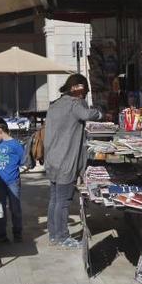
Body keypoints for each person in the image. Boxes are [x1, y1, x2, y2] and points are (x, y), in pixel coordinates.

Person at [44, 74, 102, 249]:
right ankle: (62, 236)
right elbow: (87, 114)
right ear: (79, 89)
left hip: (52, 159)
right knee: (63, 200)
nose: (84, 96)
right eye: (84, 92)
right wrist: (99, 112)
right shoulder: (74, 104)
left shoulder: (55, 104)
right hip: (66, 161)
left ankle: (54, 234)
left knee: (54, 199)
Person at [0, 118, 26, 243]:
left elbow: (23, 160)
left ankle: (17, 232)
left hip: (13, 182)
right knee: (0, 209)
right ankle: (1, 235)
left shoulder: (15, 145)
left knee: (15, 208)